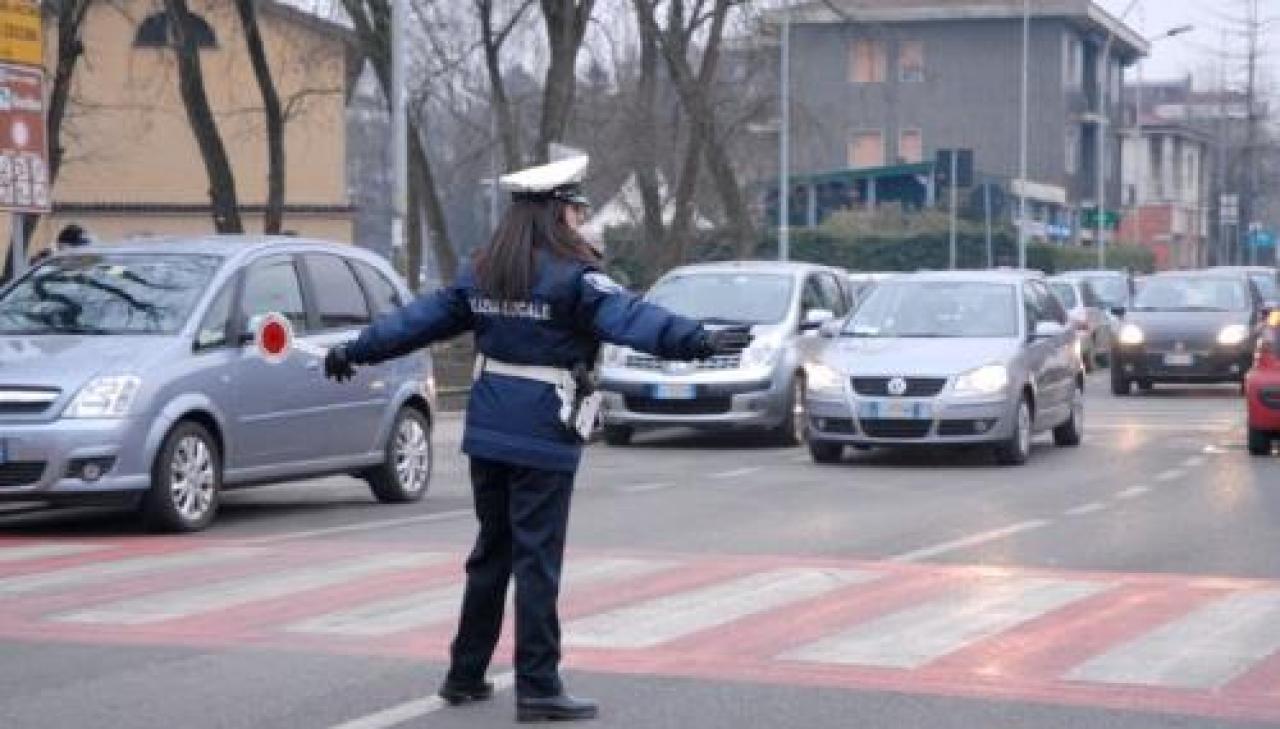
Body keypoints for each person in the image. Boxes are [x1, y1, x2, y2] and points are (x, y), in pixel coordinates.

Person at [323, 155, 750, 723]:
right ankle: (539, 687)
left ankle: (465, 673)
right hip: (544, 433)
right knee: (537, 562)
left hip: (488, 429)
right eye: (577, 209)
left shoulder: (483, 272)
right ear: (557, 213)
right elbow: (631, 319)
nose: (582, 220)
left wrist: (355, 348)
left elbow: (416, 321)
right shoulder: (574, 277)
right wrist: (697, 340)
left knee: (491, 554)